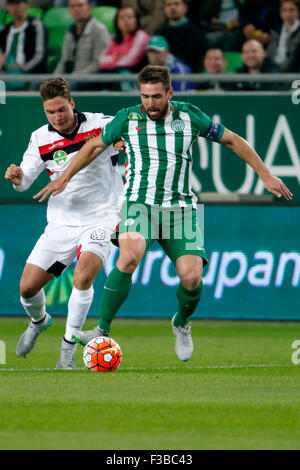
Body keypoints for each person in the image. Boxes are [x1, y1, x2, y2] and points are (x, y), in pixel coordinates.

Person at [34, 66, 293, 363]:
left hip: (180, 209)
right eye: (145, 96)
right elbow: (94, 145)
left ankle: (181, 322)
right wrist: (65, 177)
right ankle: (101, 330)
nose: (150, 103)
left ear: (170, 93)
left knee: (192, 278)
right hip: (138, 205)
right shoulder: (128, 119)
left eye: (156, 96)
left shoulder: (190, 116)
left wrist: (265, 175)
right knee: (129, 256)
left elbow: (232, 140)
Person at [4, 78, 123, 369]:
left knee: (83, 277)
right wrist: (18, 178)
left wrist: (122, 141)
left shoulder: (100, 124)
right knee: (27, 288)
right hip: (61, 223)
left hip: (102, 217)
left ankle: (67, 350)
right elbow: (26, 178)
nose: (57, 117)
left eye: (61, 110)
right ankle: (39, 320)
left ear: (72, 103)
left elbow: (129, 136)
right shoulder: (40, 138)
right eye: (50, 112)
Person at [55, 0, 111, 90]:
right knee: (41, 86)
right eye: (72, 6)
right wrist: (55, 79)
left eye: (80, 5)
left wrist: (73, 77)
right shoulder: (70, 31)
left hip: (89, 78)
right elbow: (64, 60)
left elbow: (98, 63)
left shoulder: (100, 30)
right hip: (69, 79)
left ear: (89, 7)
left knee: (68, 88)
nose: (76, 9)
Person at [0, 0, 47, 90]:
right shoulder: (5, 30)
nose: (15, 7)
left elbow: (40, 56)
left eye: (18, 2)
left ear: (26, 4)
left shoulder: (36, 26)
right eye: (11, 3)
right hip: (6, 74)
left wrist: (21, 70)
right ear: (7, 7)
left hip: (29, 75)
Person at [154, 0, 206, 72]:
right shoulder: (159, 34)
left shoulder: (196, 33)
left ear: (185, 8)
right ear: (164, 9)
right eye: (168, 5)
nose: (172, 7)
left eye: (176, 4)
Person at [98, 5, 149, 73]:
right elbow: (101, 60)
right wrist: (117, 56)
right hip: (114, 73)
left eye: (130, 17)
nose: (126, 20)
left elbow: (131, 60)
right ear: (117, 22)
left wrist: (112, 59)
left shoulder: (141, 35)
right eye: (122, 18)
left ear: (137, 20)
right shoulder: (115, 40)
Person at [266, 0, 300, 72]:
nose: (288, 13)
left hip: (293, 70)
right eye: (285, 10)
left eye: (291, 10)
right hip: (273, 70)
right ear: (281, 13)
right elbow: (270, 53)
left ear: (298, 12)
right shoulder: (275, 31)